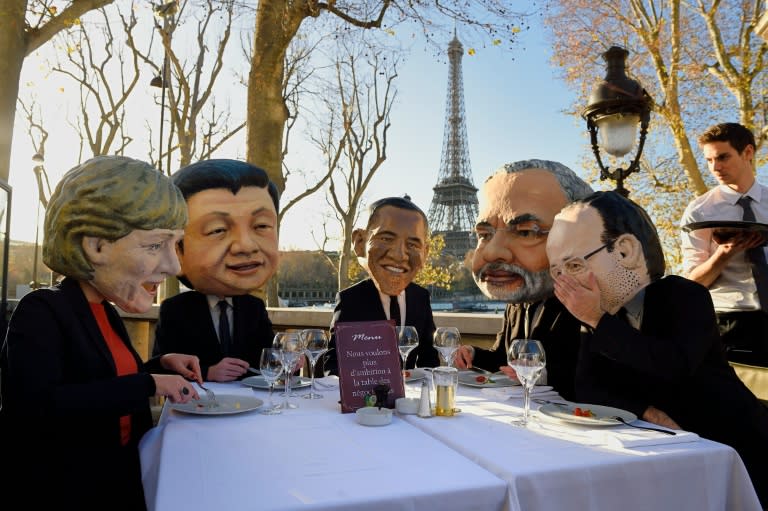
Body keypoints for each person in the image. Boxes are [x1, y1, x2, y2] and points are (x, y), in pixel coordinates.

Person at [0, 156, 203, 511]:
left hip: (116, 480)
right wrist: (150, 384)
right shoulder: (41, 310)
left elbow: (106, 379)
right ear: (94, 245)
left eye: (175, 245)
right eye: (156, 245)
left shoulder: (105, 310)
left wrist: (161, 365)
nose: (174, 266)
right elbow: (40, 406)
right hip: (67, 491)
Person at [548, 190, 768, 505]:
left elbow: (674, 366)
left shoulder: (686, 296)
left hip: (734, 449)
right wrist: (645, 411)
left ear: (624, 251)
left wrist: (596, 318)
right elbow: (585, 386)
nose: (567, 284)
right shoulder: (601, 316)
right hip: (662, 450)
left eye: (573, 265)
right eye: (557, 274)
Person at [454, 159, 593, 400]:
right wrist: (472, 353)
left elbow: (603, 380)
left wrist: (543, 377)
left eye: (526, 232)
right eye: (484, 235)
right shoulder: (518, 300)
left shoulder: (588, 301)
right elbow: (503, 357)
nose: (491, 252)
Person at [152, 159, 279, 382]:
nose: (246, 246)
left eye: (261, 226)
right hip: (198, 404)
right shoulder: (175, 310)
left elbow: (268, 360)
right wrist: (207, 371)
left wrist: (287, 362)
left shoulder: (254, 308)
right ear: (177, 249)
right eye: (217, 230)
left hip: (250, 403)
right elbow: (162, 365)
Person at [680, 122, 768, 366]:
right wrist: (724, 254)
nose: (715, 167)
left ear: (748, 153)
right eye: (709, 160)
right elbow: (692, 284)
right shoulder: (700, 212)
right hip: (729, 323)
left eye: (723, 157)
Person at [324, 196, 440, 374]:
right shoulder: (350, 300)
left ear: (425, 253)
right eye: (386, 239)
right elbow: (334, 364)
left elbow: (429, 357)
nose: (399, 255)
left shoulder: (421, 297)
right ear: (360, 242)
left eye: (412, 244)